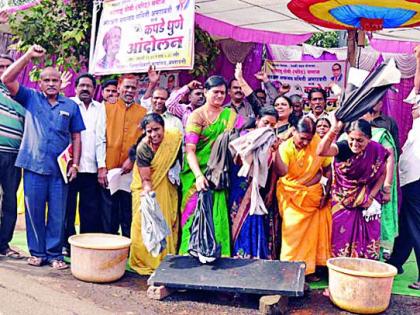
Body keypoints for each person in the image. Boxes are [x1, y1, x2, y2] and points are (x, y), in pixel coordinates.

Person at [2, 45, 85, 269]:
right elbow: (6, 78)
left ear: (61, 84)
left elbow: (76, 137)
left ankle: (55, 254)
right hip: (33, 166)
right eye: (46, 80)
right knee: (34, 212)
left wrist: (75, 164)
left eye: (54, 81)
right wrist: (28, 55)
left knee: (58, 214)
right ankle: (37, 253)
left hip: (60, 170)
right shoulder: (31, 98)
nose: (50, 84)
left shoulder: (70, 105)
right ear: (40, 83)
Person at [179, 75, 244, 256]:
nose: (219, 96)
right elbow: (190, 149)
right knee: (192, 217)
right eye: (215, 92)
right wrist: (199, 176)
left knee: (217, 216)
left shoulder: (230, 116)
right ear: (206, 92)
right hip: (196, 174)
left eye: (223, 93)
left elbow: (242, 136)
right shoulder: (197, 115)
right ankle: (187, 257)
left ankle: (218, 258)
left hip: (219, 174)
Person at [317, 119, 391, 260]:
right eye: (352, 139)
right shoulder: (343, 148)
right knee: (340, 235)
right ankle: (340, 268)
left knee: (369, 235)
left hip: (367, 202)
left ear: (369, 139)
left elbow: (382, 172)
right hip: (342, 201)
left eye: (360, 140)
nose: (355, 144)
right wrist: (334, 129)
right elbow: (321, 151)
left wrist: (371, 197)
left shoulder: (376, 150)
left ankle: (365, 268)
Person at [276, 117, 332, 278]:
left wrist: (326, 193)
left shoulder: (318, 143)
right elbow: (281, 173)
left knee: (313, 235)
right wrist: (276, 152)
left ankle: (309, 270)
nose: (305, 143)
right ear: (293, 131)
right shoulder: (285, 147)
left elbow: (327, 169)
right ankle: (290, 271)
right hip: (291, 196)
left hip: (314, 196)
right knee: (292, 233)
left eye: (309, 139)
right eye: (302, 139)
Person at [229, 106, 287, 259]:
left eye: (272, 126)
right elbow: (238, 160)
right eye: (265, 123)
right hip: (239, 191)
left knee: (254, 225)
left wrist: (276, 150)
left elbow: (280, 171)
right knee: (237, 226)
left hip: (258, 195)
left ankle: (254, 261)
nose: (268, 128)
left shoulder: (272, 144)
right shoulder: (244, 138)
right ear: (257, 121)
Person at [129, 113, 182, 275]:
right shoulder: (143, 148)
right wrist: (148, 197)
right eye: (149, 131)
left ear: (163, 127)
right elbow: (146, 179)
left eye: (157, 129)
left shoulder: (173, 138)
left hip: (167, 185)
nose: (154, 135)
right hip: (147, 187)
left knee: (166, 220)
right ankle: (145, 260)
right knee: (145, 222)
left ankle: (165, 258)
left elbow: (177, 158)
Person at [387, 45, 420, 290]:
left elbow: (417, 87)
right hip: (411, 178)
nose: (413, 106)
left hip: (417, 178)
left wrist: (418, 59)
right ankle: (397, 261)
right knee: (408, 220)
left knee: (416, 223)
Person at [99, 74, 147, 237]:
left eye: (133, 87)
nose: (129, 90)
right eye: (126, 87)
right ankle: (110, 252)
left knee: (128, 214)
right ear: (119, 88)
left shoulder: (143, 112)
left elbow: (144, 140)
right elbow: (99, 138)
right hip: (108, 170)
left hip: (130, 172)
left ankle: (128, 252)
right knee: (108, 215)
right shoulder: (105, 108)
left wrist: (132, 159)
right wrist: (102, 166)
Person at [63, 73, 106, 255]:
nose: (85, 89)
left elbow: (101, 139)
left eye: (89, 86)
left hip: (91, 168)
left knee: (90, 209)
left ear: (94, 89)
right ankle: (66, 244)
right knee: (67, 208)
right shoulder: (68, 105)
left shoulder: (100, 109)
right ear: (76, 88)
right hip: (70, 167)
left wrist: (101, 166)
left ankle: (86, 246)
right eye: (82, 86)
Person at [0, 52, 26, 259]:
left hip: (14, 156)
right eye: (1, 66)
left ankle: (4, 245)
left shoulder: (21, 95)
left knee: (10, 200)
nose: (5, 70)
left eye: (9, 66)